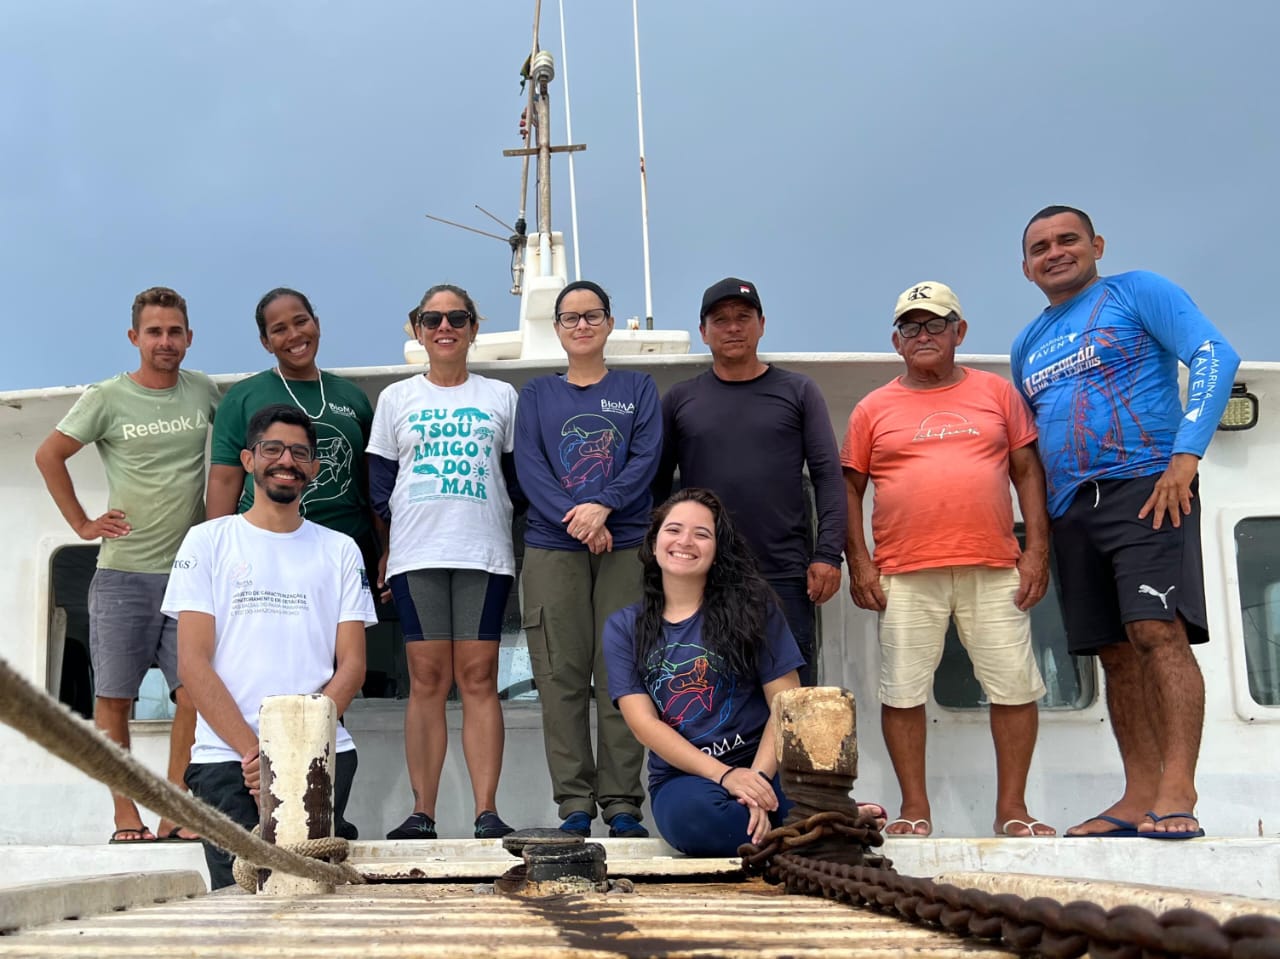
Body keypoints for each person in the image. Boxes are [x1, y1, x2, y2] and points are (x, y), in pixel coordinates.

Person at [1014, 205, 1240, 839]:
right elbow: (1028, 443)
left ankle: (1178, 788)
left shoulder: (1137, 290)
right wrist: (1038, 534)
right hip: (1070, 509)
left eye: (1067, 240)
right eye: (1039, 247)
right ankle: (1137, 792)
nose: (1054, 253)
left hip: (1147, 486)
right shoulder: (1027, 342)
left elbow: (1213, 354)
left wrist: (1186, 455)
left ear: (1097, 245)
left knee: (1154, 631)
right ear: (1025, 267)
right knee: (1112, 652)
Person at [843, 281, 1054, 838]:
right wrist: (860, 564)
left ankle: (1013, 808)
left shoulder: (998, 393)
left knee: (1013, 686)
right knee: (903, 690)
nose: (923, 335)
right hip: (906, 571)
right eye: (911, 327)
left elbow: (1028, 472)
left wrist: (1036, 551)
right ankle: (915, 809)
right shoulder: (872, 408)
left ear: (959, 331)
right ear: (896, 340)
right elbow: (848, 490)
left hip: (994, 565)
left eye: (935, 323)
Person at [34, 286, 220, 844]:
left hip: (187, 576)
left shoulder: (204, 391)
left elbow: (237, 447)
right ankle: (126, 814)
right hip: (122, 573)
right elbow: (49, 455)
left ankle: (176, 807)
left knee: (194, 695)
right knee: (114, 697)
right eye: (155, 332)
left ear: (189, 337)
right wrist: (82, 526)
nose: (166, 342)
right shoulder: (108, 397)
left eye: (175, 331)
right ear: (134, 337)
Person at [163, 404, 375, 889]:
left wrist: (293, 755)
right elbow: (192, 664)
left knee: (314, 897)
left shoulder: (341, 549)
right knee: (240, 903)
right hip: (225, 760)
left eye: (300, 452)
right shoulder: (206, 542)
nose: (287, 460)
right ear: (248, 459)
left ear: (315, 469)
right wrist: (257, 754)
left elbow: (353, 666)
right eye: (272, 449)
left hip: (322, 758)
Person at [367, 284, 520, 841]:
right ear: (417, 328)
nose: (445, 326)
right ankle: (422, 812)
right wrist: (387, 548)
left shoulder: (502, 396)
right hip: (418, 555)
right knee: (427, 678)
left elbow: (518, 480)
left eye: (457, 317)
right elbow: (381, 486)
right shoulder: (396, 399)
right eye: (432, 318)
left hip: (483, 553)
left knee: (478, 678)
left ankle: (486, 812)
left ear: (474, 328)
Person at [514, 279, 659, 839]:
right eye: (570, 318)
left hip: (624, 545)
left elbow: (646, 457)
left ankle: (622, 802)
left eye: (592, 315)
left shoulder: (637, 388)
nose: (581, 325)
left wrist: (604, 507)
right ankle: (575, 802)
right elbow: (530, 465)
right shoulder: (537, 395)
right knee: (560, 677)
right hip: (555, 546)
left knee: (623, 673)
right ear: (557, 328)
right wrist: (578, 517)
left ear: (609, 323)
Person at [655, 278, 846, 686]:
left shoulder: (798, 391)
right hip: (703, 574)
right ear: (704, 332)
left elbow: (829, 476)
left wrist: (828, 554)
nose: (733, 327)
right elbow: (657, 488)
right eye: (720, 320)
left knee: (793, 701)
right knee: (712, 695)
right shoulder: (678, 400)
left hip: (784, 575)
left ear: (762, 324)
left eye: (743, 317)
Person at [602, 488, 805, 856]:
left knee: (816, 805)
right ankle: (800, 836)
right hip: (687, 778)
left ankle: (796, 830)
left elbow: (787, 704)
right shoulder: (624, 627)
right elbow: (643, 724)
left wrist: (757, 780)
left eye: (702, 534)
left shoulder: (756, 606)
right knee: (698, 820)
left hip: (766, 763)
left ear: (716, 550)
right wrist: (726, 776)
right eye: (674, 530)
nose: (685, 542)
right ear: (654, 541)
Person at [205, 287, 375, 561]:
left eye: (301, 321)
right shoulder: (242, 397)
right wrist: (214, 553)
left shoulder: (352, 396)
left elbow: (369, 481)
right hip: (264, 549)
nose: (294, 335)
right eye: (279, 329)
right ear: (266, 342)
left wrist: (385, 546)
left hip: (348, 550)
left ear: (316, 325)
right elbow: (224, 480)